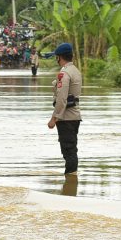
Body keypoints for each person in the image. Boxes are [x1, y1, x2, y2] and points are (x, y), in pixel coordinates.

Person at [48, 43, 82, 175]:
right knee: (71, 149)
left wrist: (53, 118)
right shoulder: (75, 70)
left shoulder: (64, 73)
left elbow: (62, 99)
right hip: (75, 116)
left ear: (59, 57)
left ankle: (71, 179)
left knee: (68, 150)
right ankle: (72, 179)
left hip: (66, 117)